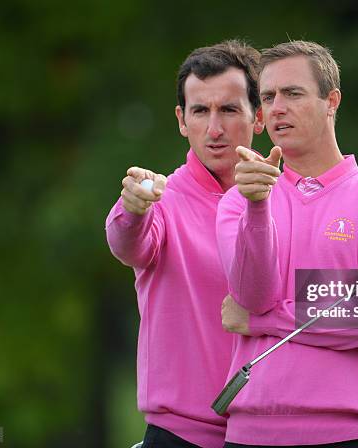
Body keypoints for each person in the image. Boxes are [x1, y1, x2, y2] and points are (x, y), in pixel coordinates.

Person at [216, 41, 358, 447]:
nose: (276, 108)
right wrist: (257, 207)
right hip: (250, 431)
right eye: (268, 97)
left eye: (292, 94)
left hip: (348, 432)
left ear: (331, 101)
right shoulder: (239, 198)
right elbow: (252, 294)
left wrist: (264, 322)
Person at [105, 40, 264, 448]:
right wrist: (132, 208)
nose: (214, 129)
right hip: (180, 436)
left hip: (272, 433)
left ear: (258, 116)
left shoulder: (291, 203)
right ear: (181, 119)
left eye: (228, 110)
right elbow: (128, 242)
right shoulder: (161, 199)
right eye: (200, 111)